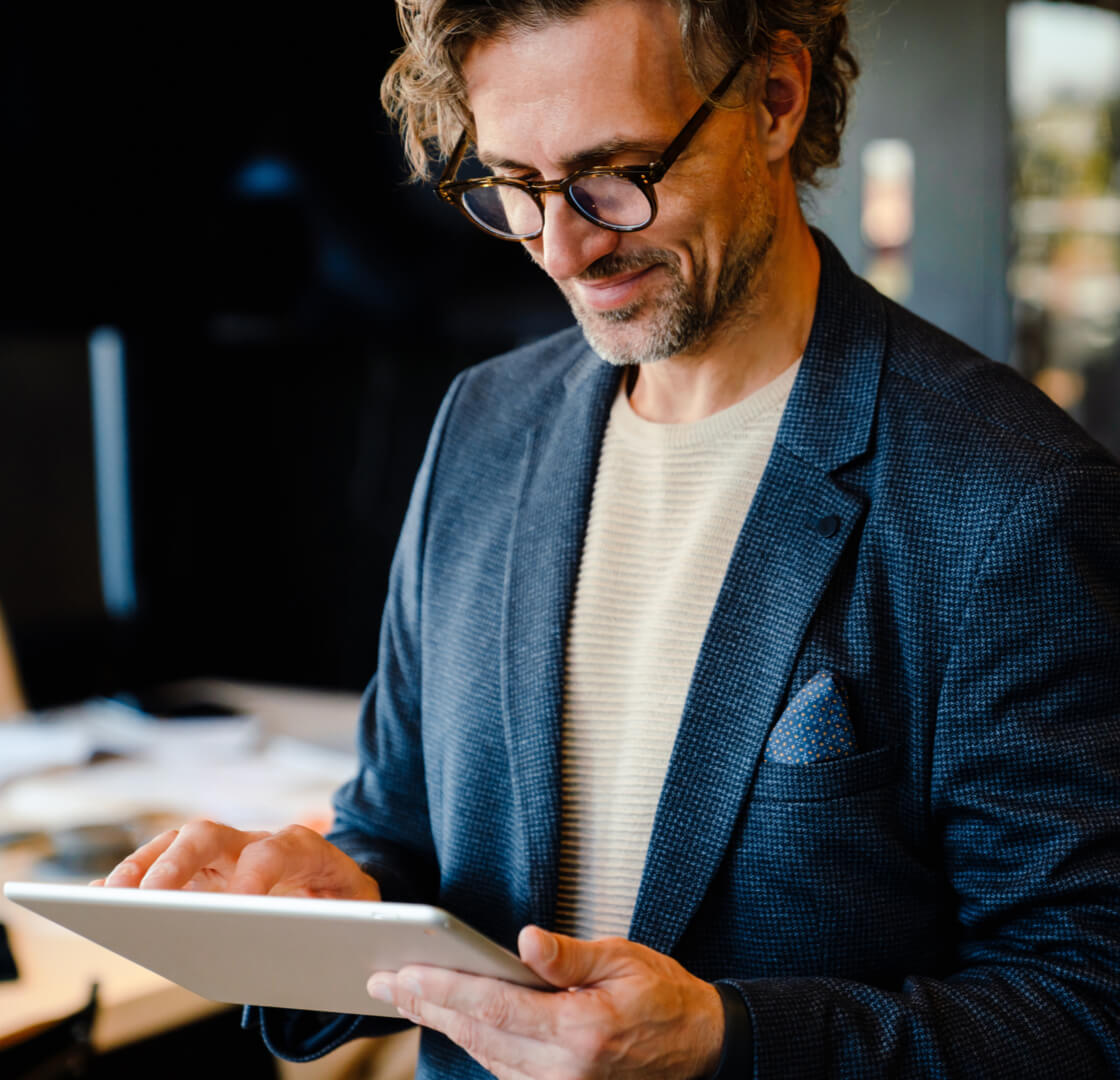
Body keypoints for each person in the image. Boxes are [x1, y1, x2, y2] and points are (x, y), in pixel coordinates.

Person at [100, 0, 1120, 1076]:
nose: (564, 247)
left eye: (614, 172)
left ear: (775, 98)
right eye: (512, 185)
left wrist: (726, 1043)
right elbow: (394, 828)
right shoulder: (482, 429)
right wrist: (325, 902)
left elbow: (1086, 1005)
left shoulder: (1013, 499)